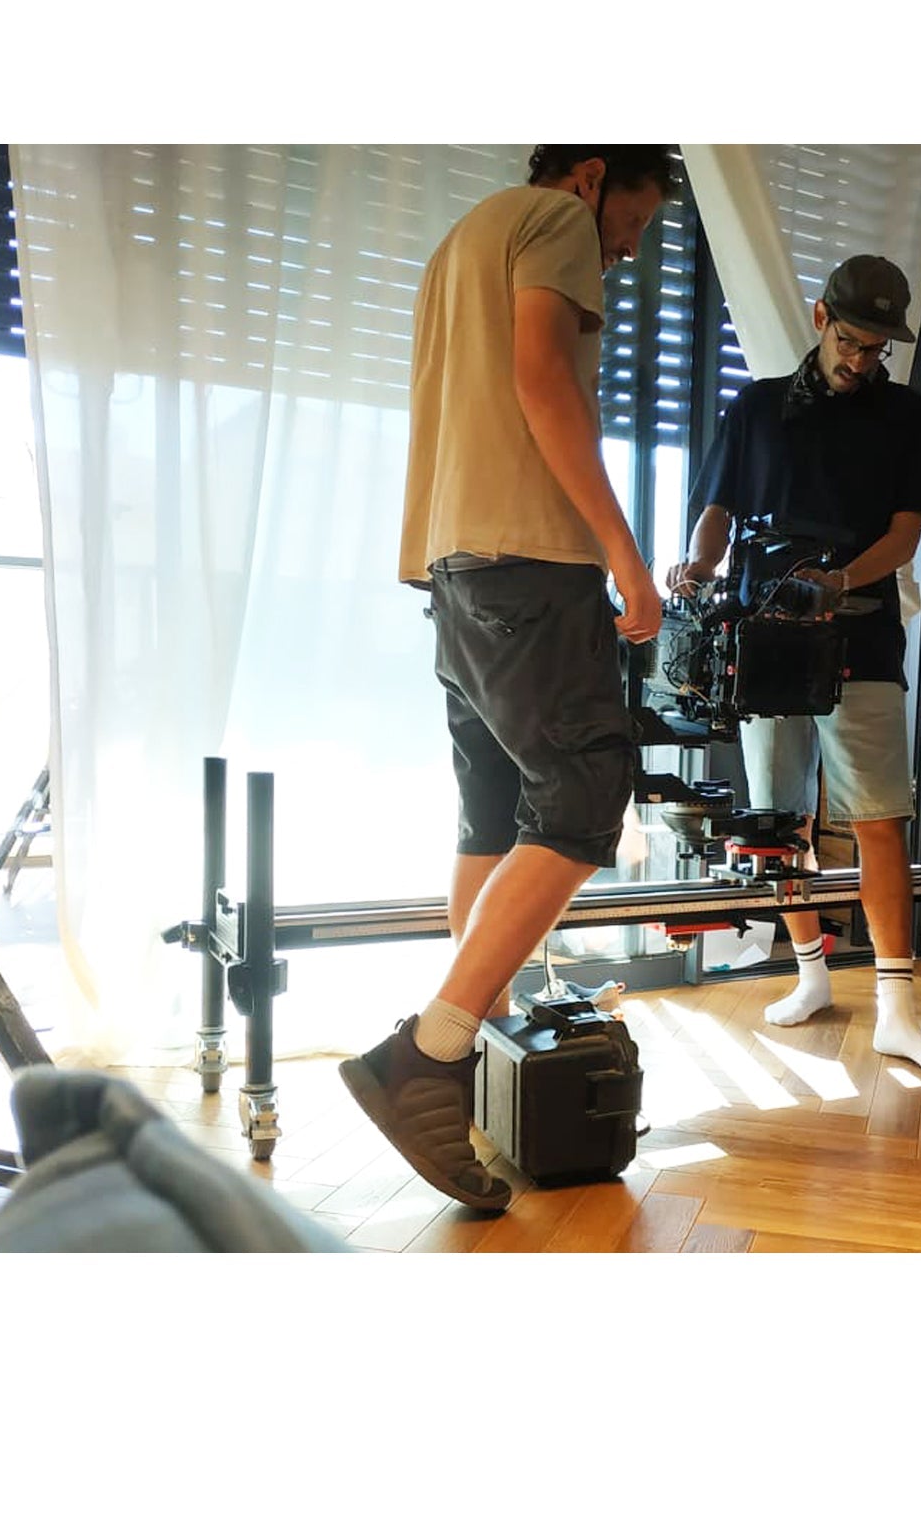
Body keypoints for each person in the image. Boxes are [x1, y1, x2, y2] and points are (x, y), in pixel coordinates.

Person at [339, 146, 677, 1211]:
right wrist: (625, 554)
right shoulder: (556, 219)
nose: (628, 248)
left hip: (457, 568)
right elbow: (542, 382)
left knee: (494, 811)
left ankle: (474, 1053)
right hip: (530, 562)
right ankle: (428, 1058)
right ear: (592, 175)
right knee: (583, 797)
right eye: (634, 219)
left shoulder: (462, 240)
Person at [667, 255, 921, 1083]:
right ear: (819, 318)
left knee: (879, 819)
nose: (861, 360)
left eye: (876, 348)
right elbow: (716, 511)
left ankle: (899, 1014)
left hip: (861, 637)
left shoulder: (904, 415)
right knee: (778, 822)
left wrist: (838, 582)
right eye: (851, 341)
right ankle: (809, 976)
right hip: (762, 641)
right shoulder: (755, 407)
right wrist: (698, 566)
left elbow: (906, 535)